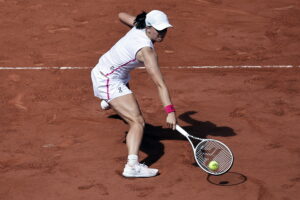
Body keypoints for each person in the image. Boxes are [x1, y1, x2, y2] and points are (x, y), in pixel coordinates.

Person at [91, 10, 177, 178]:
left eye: (165, 29)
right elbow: (160, 84)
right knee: (137, 122)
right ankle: (132, 166)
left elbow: (121, 15)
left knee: (125, 83)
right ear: (149, 27)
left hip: (106, 70)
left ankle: (109, 100)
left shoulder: (139, 26)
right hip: (108, 80)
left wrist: (137, 21)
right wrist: (170, 111)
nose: (162, 33)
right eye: (159, 30)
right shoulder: (146, 51)